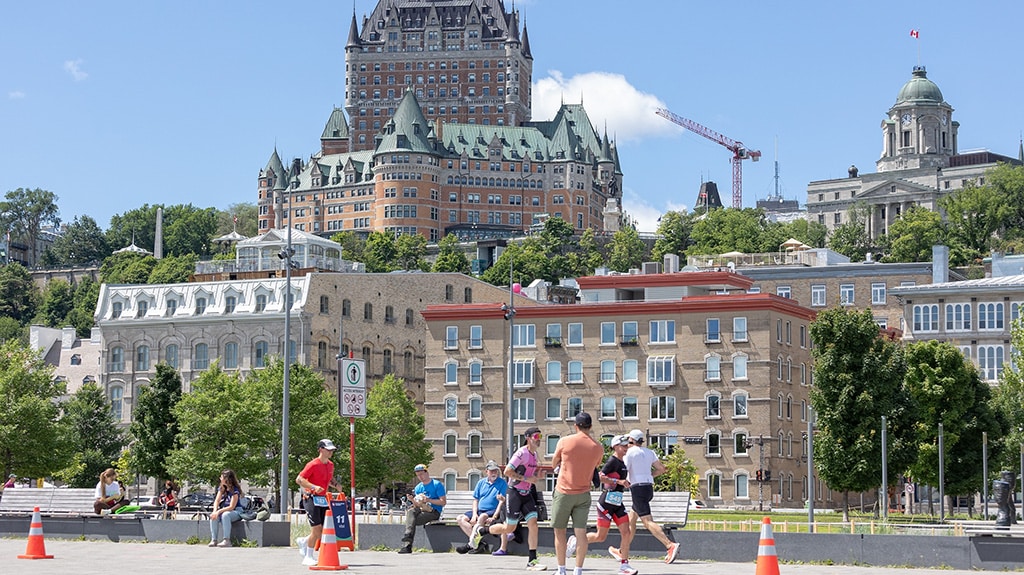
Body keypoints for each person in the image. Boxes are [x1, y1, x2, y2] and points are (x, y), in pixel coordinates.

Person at [472, 426, 546, 570]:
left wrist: (536, 478)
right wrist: (526, 478)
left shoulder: (535, 455)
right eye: (536, 437)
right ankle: (482, 531)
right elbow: (507, 471)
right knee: (509, 527)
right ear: (528, 438)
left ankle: (532, 560)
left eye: (540, 437)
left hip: (526, 494)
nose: (539, 440)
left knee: (533, 524)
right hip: (514, 493)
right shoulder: (521, 453)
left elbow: (530, 477)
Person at [567, 434, 637, 575]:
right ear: (615, 447)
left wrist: (625, 483)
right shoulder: (612, 461)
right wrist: (619, 482)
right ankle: (576, 541)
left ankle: (624, 565)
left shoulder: (623, 462)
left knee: (626, 532)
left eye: (627, 445)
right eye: (623, 446)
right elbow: (600, 476)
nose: (626, 448)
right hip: (606, 503)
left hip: (617, 502)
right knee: (600, 537)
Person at [551, 412, 605, 575]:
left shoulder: (565, 441)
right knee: (580, 532)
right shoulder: (598, 447)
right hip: (583, 494)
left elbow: (554, 462)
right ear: (590, 426)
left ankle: (561, 570)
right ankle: (578, 570)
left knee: (559, 531)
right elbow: (595, 465)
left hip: (564, 492)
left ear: (576, 425)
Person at [620, 429, 680, 564]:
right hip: (648, 488)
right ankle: (622, 550)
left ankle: (670, 545)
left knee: (647, 521)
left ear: (632, 441)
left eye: (628, 441)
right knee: (631, 520)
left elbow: (624, 470)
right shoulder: (649, 452)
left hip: (637, 489)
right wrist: (649, 476)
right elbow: (661, 469)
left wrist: (622, 481)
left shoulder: (629, 453)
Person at [296, 438, 343, 566]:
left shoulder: (331, 465)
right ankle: (308, 556)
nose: (330, 453)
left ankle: (304, 541)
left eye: (332, 450)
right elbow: (299, 479)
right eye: (328, 450)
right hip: (310, 497)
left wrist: (336, 485)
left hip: (322, 499)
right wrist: (313, 487)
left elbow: (328, 478)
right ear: (321, 449)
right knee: (317, 529)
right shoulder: (312, 464)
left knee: (322, 529)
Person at [456, 460, 508, 555]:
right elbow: (475, 500)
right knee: (460, 518)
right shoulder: (481, 483)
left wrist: (494, 516)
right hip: (479, 510)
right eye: (491, 471)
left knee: (482, 517)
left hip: (492, 510)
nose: (494, 473)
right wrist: (474, 514)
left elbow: (502, 502)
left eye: (495, 471)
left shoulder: (502, 483)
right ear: (486, 471)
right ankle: (479, 544)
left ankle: (471, 544)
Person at [398, 463, 447, 554]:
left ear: (426, 473)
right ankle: (408, 538)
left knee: (410, 521)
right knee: (411, 511)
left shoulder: (436, 484)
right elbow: (417, 505)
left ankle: (407, 544)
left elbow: (443, 502)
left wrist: (429, 500)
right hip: (421, 510)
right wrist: (412, 500)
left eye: (421, 474)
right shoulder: (418, 487)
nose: (420, 477)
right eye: (418, 475)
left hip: (434, 512)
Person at [208, 469, 242, 547]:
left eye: (222, 477)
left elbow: (231, 506)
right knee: (214, 516)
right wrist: (215, 511)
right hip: (225, 510)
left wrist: (219, 511)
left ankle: (227, 540)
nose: (220, 478)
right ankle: (214, 540)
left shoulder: (235, 490)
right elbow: (216, 501)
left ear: (227, 479)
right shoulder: (222, 488)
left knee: (225, 515)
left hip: (236, 511)